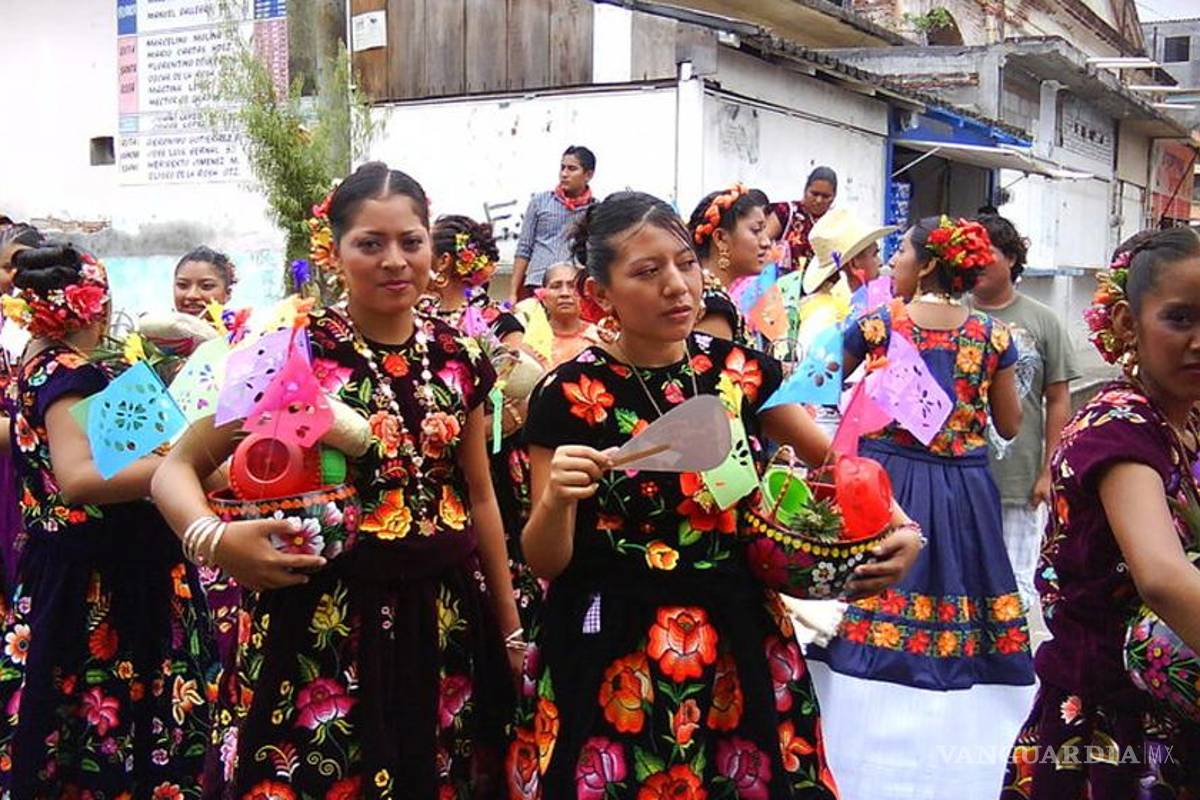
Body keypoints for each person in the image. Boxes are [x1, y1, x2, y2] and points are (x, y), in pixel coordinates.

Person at [509, 190, 923, 799]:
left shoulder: (739, 371)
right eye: (647, 272)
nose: (677, 285)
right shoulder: (568, 394)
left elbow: (837, 462)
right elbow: (546, 559)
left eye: (683, 263)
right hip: (612, 642)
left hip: (737, 633)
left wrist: (904, 527)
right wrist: (557, 502)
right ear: (601, 295)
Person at [151, 162, 520, 797]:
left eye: (411, 241)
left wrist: (509, 629)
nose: (395, 260)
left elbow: (479, 495)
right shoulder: (289, 353)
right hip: (323, 621)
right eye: (369, 244)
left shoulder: (462, 355)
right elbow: (175, 469)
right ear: (333, 252)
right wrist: (214, 541)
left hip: (444, 617)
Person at [807, 216, 1034, 800]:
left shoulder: (878, 323)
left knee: (865, 608)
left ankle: (855, 761)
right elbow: (1008, 423)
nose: (890, 264)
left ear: (929, 264)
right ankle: (958, 769)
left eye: (900, 252)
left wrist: (877, 392)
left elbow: (816, 385)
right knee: (964, 612)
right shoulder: (993, 336)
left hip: (888, 487)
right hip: (963, 492)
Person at [0, 244, 214, 797]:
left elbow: (139, 449)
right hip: (102, 582)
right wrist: (180, 465)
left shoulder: (52, 365)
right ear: (96, 306)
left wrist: (180, 456)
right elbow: (80, 478)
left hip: (92, 566)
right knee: (110, 721)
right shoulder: (71, 374)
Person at [1000, 229, 1200, 799]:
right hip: (1111, 733)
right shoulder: (1119, 429)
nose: (1199, 341)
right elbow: (1162, 577)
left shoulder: (1186, 421)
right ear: (1125, 325)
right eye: (1180, 319)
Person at [971, 215, 1078, 621]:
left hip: (1019, 480)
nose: (976, 262)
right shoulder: (953, 313)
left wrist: (1049, 471)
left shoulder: (1043, 320)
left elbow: (1058, 399)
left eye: (988, 254)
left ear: (1011, 258)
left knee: (1014, 591)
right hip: (961, 474)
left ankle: (1009, 671)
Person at [687, 184, 772, 348]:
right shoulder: (714, 309)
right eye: (756, 230)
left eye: (764, 231)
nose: (766, 242)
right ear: (720, 238)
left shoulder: (700, 290)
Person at [510, 146, 597, 304]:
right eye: (562, 167)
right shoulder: (540, 202)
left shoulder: (595, 210)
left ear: (588, 175)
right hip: (537, 284)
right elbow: (524, 248)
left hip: (574, 289)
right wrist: (513, 293)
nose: (564, 174)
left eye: (572, 169)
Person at [767, 167, 838, 276]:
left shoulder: (835, 224)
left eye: (826, 196)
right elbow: (760, 243)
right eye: (814, 194)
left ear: (834, 197)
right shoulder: (787, 212)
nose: (819, 200)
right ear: (805, 190)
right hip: (780, 286)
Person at [540, 262, 601, 367]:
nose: (565, 293)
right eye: (556, 286)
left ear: (584, 293)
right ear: (543, 297)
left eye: (572, 286)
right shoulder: (530, 342)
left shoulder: (599, 339)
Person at [173, 245, 236, 317]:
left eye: (206, 286)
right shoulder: (160, 327)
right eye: (182, 285)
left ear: (227, 293)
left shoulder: (236, 327)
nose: (192, 295)